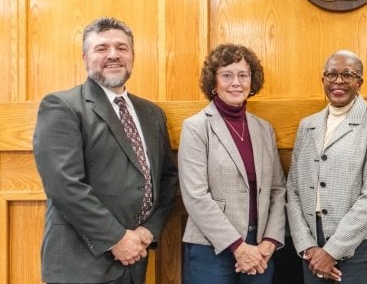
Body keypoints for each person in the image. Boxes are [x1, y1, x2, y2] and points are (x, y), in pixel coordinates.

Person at [33, 17, 178, 284]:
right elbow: (64, 185)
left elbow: (167, 179)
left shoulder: (152, 114)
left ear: (132, 56)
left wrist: (148, 230)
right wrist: (116, 239)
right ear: (85, 57)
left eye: (122, 48)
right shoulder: (62, 107)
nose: (113, 55)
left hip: (135, 261)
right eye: (102, 48)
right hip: (81, 264)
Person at [178, 43, 286, 283]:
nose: (236, 82)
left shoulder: (263, 128)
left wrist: (270, 240)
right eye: (226, 75)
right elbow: (196, 195)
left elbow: (278, 189)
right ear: (213, 83)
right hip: (211, 248)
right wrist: (237, 246)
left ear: (252, 81)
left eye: (243, 75)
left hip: (260, 249)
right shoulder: (196, 127)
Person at [286, 50, 367, 283]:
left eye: (347, 75)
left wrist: (332, 251)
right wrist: (307, 246)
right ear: (323, 79)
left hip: (363, 244)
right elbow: (293, 190)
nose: (338, 81)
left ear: (359, 82)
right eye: (331, 74)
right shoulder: (307, 125)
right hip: (313, 245)